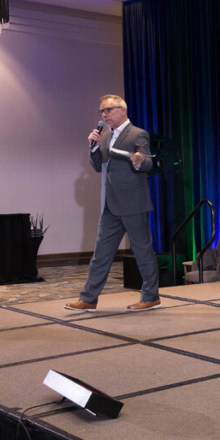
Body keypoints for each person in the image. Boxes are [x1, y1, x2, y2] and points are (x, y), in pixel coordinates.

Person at [66, 95, 161, 313]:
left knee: (143, 252)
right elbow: (98, 166)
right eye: (102, 111)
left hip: (133, 205)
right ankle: (88, 299)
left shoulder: (137, 134)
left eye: (108, 110)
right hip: (110, 205)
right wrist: (93, 147)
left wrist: (139, 161)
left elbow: (147, 161)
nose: (104, 115)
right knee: (100, 254)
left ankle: (151, 297)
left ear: (123, 110)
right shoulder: (106, 136)